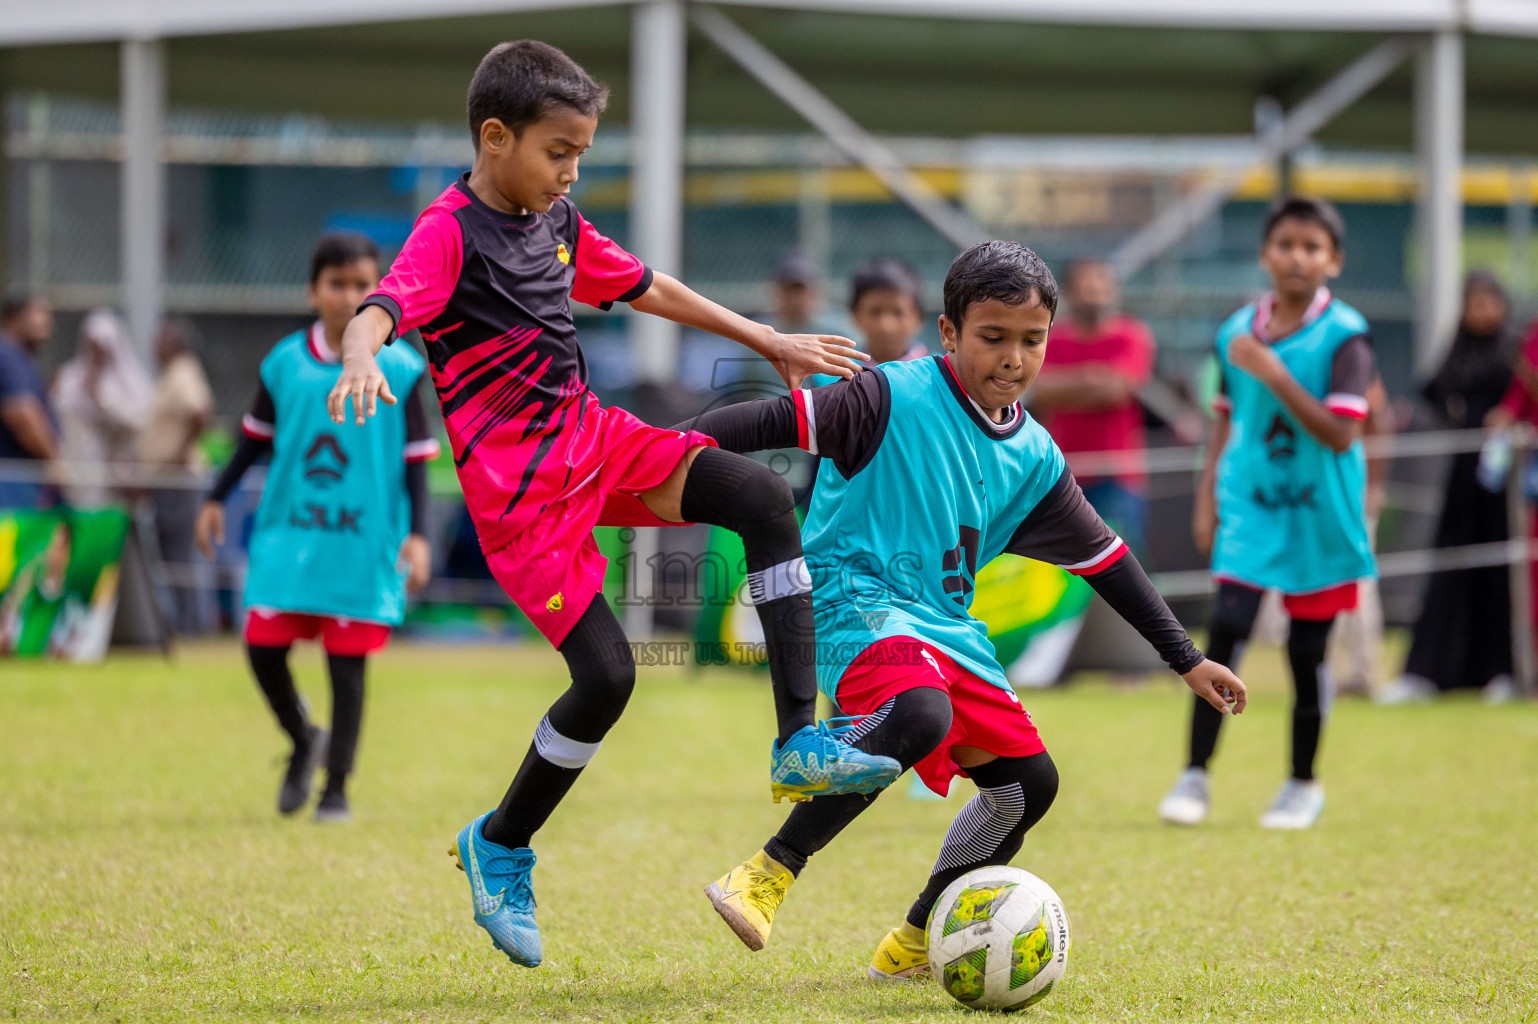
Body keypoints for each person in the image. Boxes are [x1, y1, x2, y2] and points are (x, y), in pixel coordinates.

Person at [326, 40, 899, 969]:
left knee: (759, 496)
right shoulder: (449, 232)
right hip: (521, 499)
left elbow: (644, 285)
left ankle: (800, 737)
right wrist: (360, 354)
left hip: (593, 437)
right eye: (560, 151)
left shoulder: (556, 218)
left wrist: (766, 337)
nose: (572, 171)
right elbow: (384, 308)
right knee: (609, 678)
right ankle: (501, 843)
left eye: (583, 153)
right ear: (496, 136)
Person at [677, 241, 1245, 976]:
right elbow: (745, 426)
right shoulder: (887, 395)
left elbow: (1106, 561)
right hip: (855, 601)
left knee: (1025, 788)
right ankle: (766, 872)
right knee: (919, 714)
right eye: (993, 337)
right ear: (949, 333)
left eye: (1031, 340)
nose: (1013, 358)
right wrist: (642, 455)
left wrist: (1188, 659)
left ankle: (914, 941)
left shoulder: (1036, 457)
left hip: (946, 626)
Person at [194, 233, 439, 824]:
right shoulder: (284, 363)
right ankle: (304, 737)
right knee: (261, 647)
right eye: (338, 283)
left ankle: (336, 789)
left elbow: (415, 460)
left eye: (363, 285)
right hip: (290, 537)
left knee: (347, 666)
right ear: (313, 290)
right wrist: (216, 497)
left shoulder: (402, 367)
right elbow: (254, 438)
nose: (350, 295)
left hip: (364, 541)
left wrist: (420, 534)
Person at [1159, 197, 1377, 831]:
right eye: (1286, 244)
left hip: (1320, 515)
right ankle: (1195, 775)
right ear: (1265, 253)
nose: (1297, 257)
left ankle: (1302, 784)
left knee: (1307, 653)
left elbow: (1341, 434)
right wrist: (1207, 497)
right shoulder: (1234, 333)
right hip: (1250, 508)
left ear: (1332, 260)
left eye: (1313, 247)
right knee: (1225, 631)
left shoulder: (1347, 336)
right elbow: (1222, 423)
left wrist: (1276, 372)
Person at [1378, 273, 1519, 702]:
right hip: (1462, 479)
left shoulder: (1513, 350)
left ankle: (1502, 671)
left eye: (1488, 302)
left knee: (1499, 570)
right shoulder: (1458, 350)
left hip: (1504, 483)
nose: (1482, 312)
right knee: (1452, 569)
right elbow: (1432, 388)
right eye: (1473, 303)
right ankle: (1430, 672)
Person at [1028, 258, 1155, 555]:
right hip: (1062, 473)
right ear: (1069, 293)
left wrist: (1065, 388)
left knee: (1122, 562)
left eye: (1100, 284)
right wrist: (1093, 378)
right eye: (1086, 286)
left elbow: (1117, 390)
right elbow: (1038, 391)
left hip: (1117, 475)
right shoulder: (1051, 338)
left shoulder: (1131, 334)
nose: (1094, 292)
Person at [139, 318, 215, 636]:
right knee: (171, 552)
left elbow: (199, 413)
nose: (155, 346)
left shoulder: (183, 370)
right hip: (166, 479)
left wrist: (179, 453)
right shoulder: (171, 374)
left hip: (179, 479)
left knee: (183, 553)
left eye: (161, 340)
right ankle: (184, 621)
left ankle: (193, 624)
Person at [51, 309, 151, 507]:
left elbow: (140, 421)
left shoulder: (131, 383)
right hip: (77, 471)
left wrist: (102, 399)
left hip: (117, 474)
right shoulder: (70, 377)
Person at [0, 295, 58, 508]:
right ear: (14, 317)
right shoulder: (7, 355)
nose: (47, 321)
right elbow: (21, 414)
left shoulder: (21, 358)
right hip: (11, 485)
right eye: (39, 313)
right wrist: (55, 461)